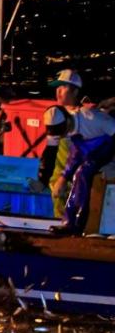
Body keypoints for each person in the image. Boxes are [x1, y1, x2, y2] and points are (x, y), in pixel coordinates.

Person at [42, 105, 115, 235]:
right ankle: (69, 222)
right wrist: (62, 178)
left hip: (108, 145)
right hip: (90, 149)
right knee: (77, 172)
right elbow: (74, 154)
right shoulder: (63, 128)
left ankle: (76, 223)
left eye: (62, 132)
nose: (62, 135)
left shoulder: (93, 119)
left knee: (83, 171)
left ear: (68, 120)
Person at [36, 69, 83, 216]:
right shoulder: (55, 115)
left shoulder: (83, 118)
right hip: (56, 178)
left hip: (72, 180)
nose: (58, 91)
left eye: (63, 88)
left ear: (75, 92)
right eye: (57, 87)